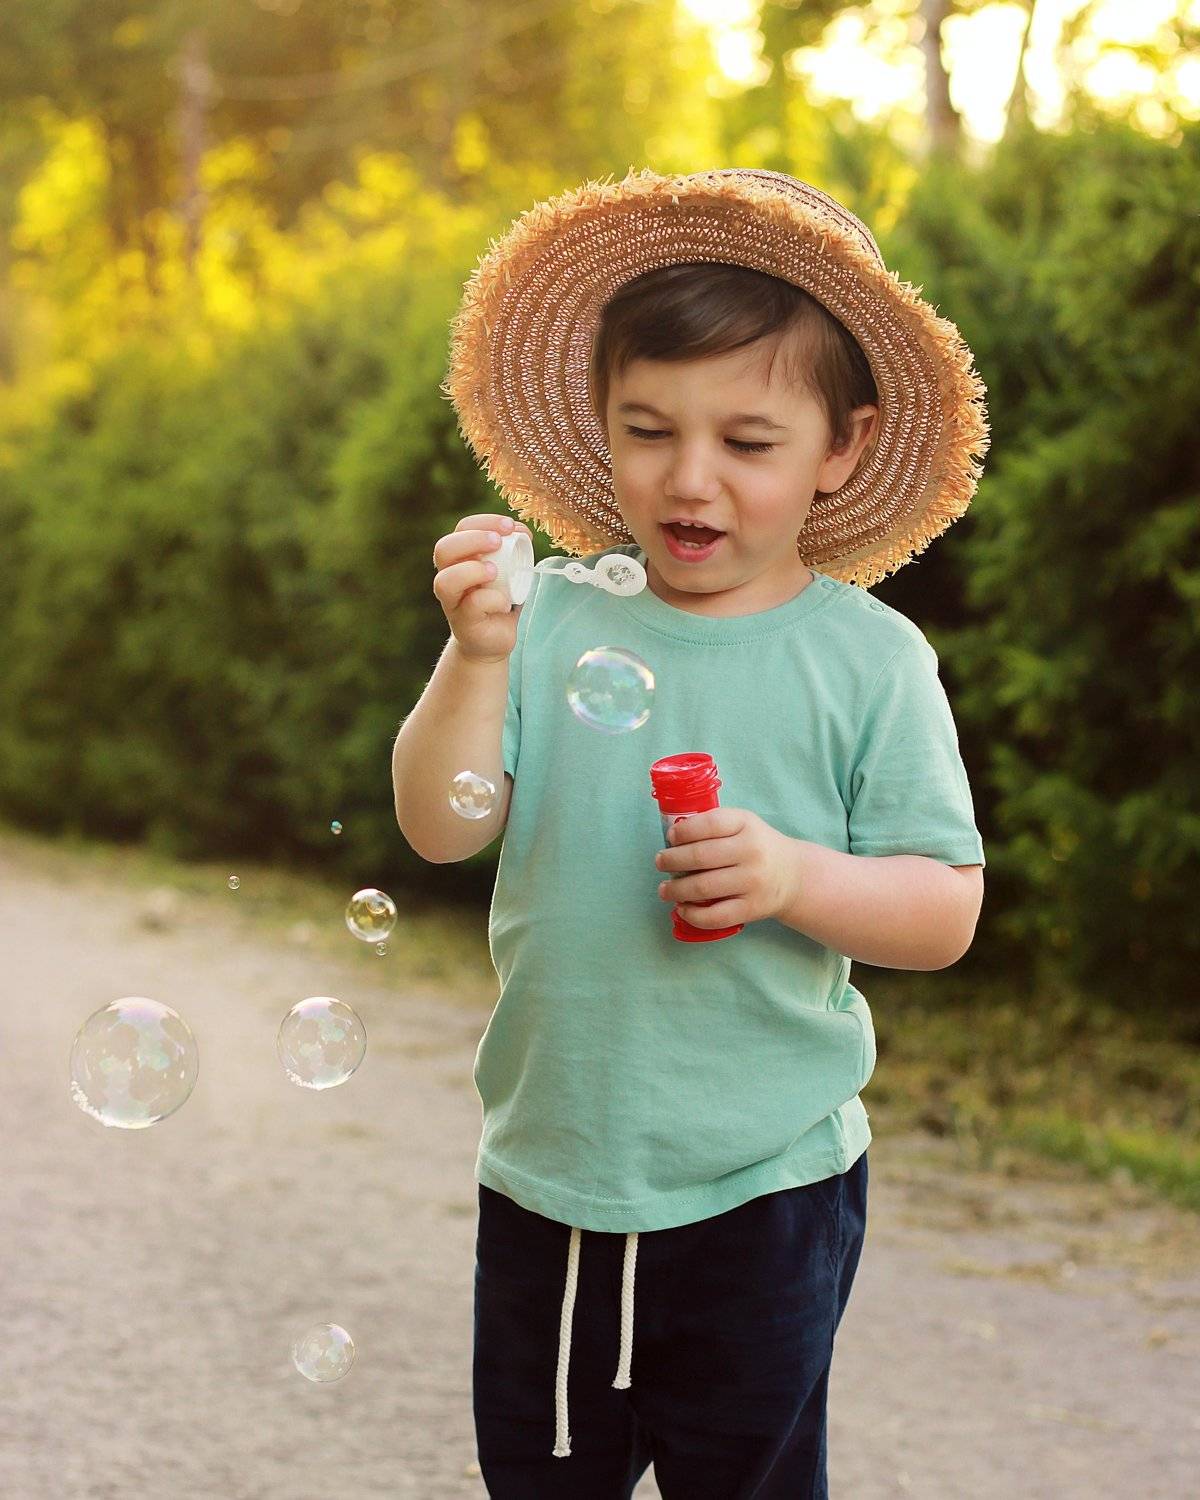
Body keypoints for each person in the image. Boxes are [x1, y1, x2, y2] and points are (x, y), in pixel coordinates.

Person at [392, 167, 989, 1499]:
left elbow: (944, 909)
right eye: (648, 428)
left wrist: (792, 875)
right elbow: (439, 827)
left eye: (749, 441)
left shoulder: (870, 662)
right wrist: (476, 658)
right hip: (554, 1176)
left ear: (842, 447)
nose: (690, 476)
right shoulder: (548, 622)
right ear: (601, 425)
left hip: (768, 1186)